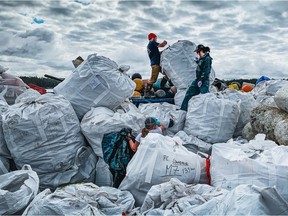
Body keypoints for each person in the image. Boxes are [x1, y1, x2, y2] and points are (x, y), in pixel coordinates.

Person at [180, 44, 213, 111]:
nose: (197, 54)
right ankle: (183, 110)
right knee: (189, 93)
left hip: (204, 81)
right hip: (198, 80)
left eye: (197, 52)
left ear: (200, 51)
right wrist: (198, 61)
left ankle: (207, 111)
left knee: (205, 97)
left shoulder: (207, 59)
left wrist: (202, 79)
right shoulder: (202, 59)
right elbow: (201, 67)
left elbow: (206, 70)